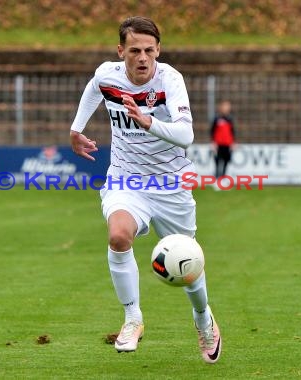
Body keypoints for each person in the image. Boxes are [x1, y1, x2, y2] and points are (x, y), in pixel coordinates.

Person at [69, 16, 222, 364]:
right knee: (119, 236)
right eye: (134, 50)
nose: (142, 57)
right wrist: (77, 128)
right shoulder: (108, 74)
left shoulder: (170, 80)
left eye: (149, 51)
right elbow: (94, 88)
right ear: (121, 51)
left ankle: (203, 318)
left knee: (188, 266)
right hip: (127, 179)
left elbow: (187, 135)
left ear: (158, 51)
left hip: (171, 184)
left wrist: (148, 121)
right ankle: (132, 318)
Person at [210, 100, 236, 179]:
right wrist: (213, 142)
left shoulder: (230, 119)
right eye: (224, 106)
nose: (226, 108)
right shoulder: (217, 119)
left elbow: (232, 132)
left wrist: (233, 143)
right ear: (221, 108)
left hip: (227, 144)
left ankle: (223, 178)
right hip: (218, 144)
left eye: (227, 106)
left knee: (226, 161)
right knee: (218, 162)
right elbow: (212, 131)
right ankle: (217, 179)